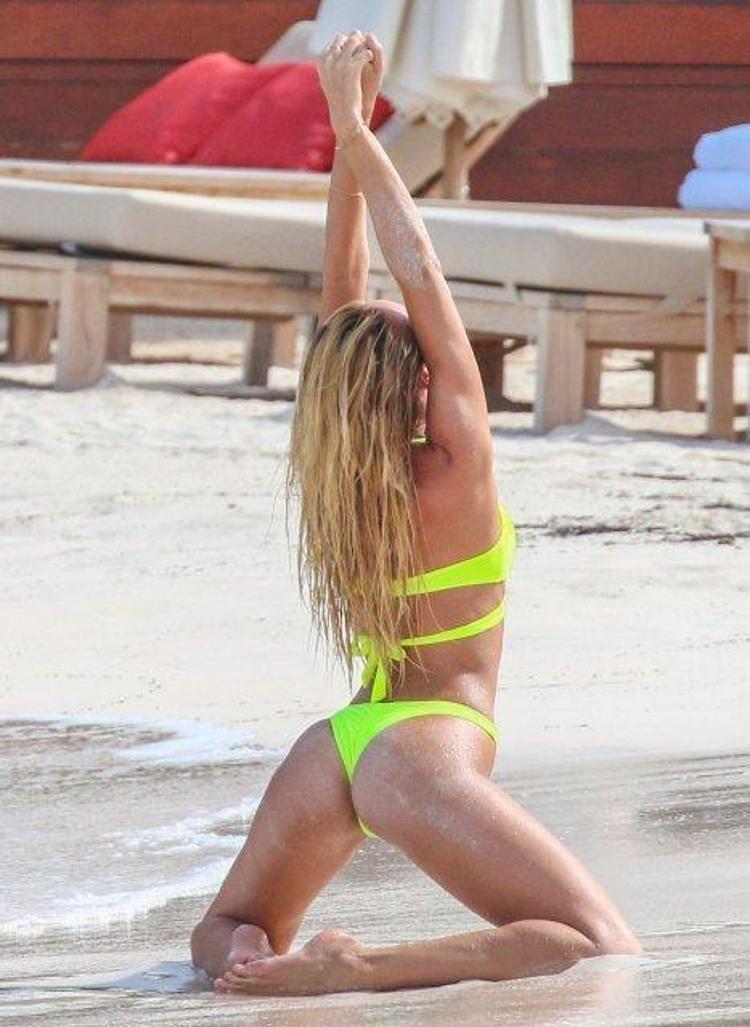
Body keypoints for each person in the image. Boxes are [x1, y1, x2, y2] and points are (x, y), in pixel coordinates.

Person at [190, 31, 642, 996]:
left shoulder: (336, 474)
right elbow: (419, 273)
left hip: (341, 742)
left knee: (230, 924)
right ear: (418, 383)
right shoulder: (452, 470)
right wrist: (356, 132)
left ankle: (255, 967)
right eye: (426, 360)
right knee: (595, 942)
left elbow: (344, 293)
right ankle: (355, 967)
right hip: (425, 745)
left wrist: (347, 132)